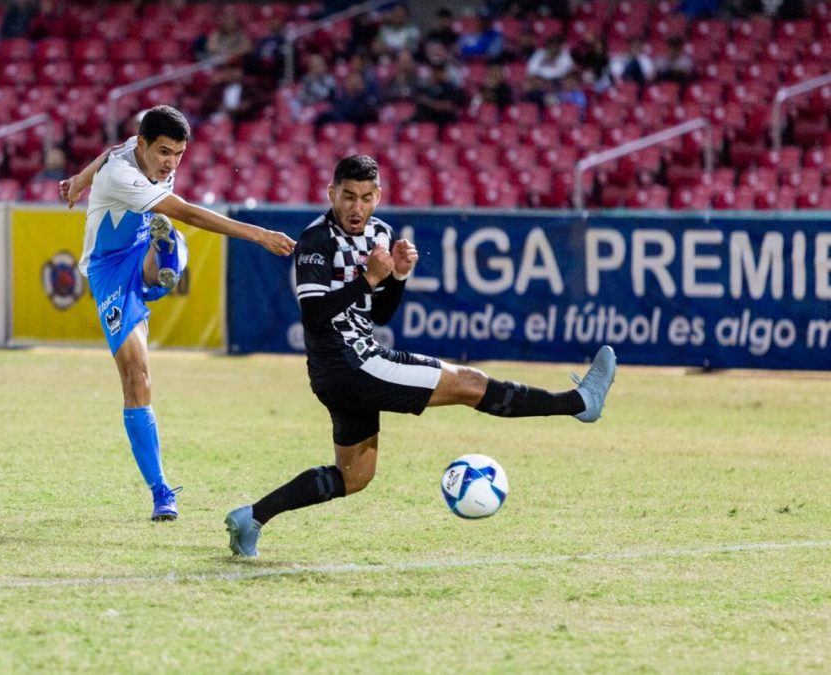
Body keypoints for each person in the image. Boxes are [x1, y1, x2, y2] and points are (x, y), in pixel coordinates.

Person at [224, 155, 616, 557]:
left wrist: (398, 277)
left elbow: (379, 313)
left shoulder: (381, 234)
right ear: (331, 194)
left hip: (351, 367)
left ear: (377, 196)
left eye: (364, 197)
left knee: (354, 476)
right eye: (347, 197)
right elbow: (314, 315)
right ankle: (579, 402)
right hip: (348, 364)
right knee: (469, 383)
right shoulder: (316, 241)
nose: (355, 207)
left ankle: (251, 518)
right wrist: (369, 278)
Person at [58, 105, 295, 521]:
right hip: (109, 271)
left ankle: (164, 256)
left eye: (179, 155)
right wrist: (257, 234)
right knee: (137, 378)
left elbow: (114, 148)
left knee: (169, 241)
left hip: (140, 250)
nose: (170, 163)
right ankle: (161, 491)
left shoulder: (137, 148)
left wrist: (79, 178)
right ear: (146, 144)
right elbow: (184, 208)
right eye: (164, 152)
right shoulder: (120, 174)